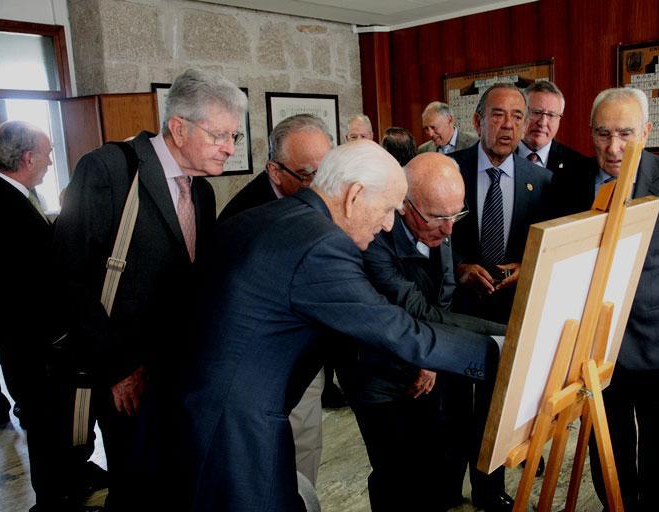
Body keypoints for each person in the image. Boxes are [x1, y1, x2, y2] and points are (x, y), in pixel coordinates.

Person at [178, 141, 500, 511]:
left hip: (198, 416)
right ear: (354, 196)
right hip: (234, 431)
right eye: (386, 210)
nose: (388, 224)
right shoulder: (322, 245)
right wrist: (506, 352)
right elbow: (398, 328)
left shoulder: (267, 215)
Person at [52, 68, 248, 510]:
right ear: (178, 128)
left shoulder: (201, 194)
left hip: (177, 372)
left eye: (234, 135)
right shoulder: (108, 170)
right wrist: (119, 368)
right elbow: (68, 277)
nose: (230, 148)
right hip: (121, 375)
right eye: (220, 135)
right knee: (137, 487)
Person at [550, 87, 659, 511]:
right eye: (602, 134)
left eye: (625, 134)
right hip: (590, 350)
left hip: (658, 340)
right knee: (609, 448)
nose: (613, 148)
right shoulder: (570, 179)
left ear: (646, 132)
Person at [340, 152, 507, 511]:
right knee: (396, 474)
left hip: (425, 366)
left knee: (435, 462)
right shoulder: (374, 240)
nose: (449, 229)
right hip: (378, 373)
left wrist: (432, 357)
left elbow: (445, 291)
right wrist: (512, 334)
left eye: (456, 214)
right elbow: (414, 309)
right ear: (403, 204)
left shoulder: (437, 220)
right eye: (438, 218)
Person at [0, 121, 104, 511]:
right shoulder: (1, 205)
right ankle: (54, 502)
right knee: (48, 432)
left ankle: (67, 486)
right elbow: (23, 287)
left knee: (55, 430)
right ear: (28, 157)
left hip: (32, 345)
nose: (52, 160)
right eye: (48, 153)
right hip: (35, 349)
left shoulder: (7, 195)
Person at [449, 83, 552, 511]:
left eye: (515, 116)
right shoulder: (446, 168)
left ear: (526, 123)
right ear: (477, 121)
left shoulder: (542, 182)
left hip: (510, 311)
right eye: (496, 115)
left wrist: (526, 269)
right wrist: (456, 268)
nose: (506, 125)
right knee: (452, 407)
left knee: (497, 406)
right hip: (454, 309)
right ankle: (445, 486)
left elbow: (546, 247)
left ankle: (490, 492)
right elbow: (426, 238)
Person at [219, 113, 337, 485]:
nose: (320, 185)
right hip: (262, 365)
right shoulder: (245, 215)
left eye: (326, 171)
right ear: (274, 169)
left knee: (305, 446)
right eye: (307, 175)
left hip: (308, 349)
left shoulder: (320, 195)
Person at [516, 80, 586, 173]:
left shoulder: (578, 166)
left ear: (559, 119)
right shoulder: (501, 155)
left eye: (551, 115)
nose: (542, 123)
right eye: (536, 112)